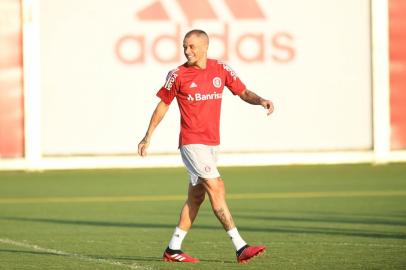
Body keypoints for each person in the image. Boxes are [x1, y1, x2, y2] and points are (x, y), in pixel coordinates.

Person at [138, 29, 274, 264]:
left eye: (191, 46)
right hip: (191, 142)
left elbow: (243, 92)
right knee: (216, 186)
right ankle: (240, 246)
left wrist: (260, 100)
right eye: (184, 46)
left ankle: (173, 249)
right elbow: (163, 105)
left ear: (204, 47)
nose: (187, 51)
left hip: (211, 143)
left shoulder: (220, 69)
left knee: (196, 197)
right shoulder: (177, 74)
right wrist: (148, 135)